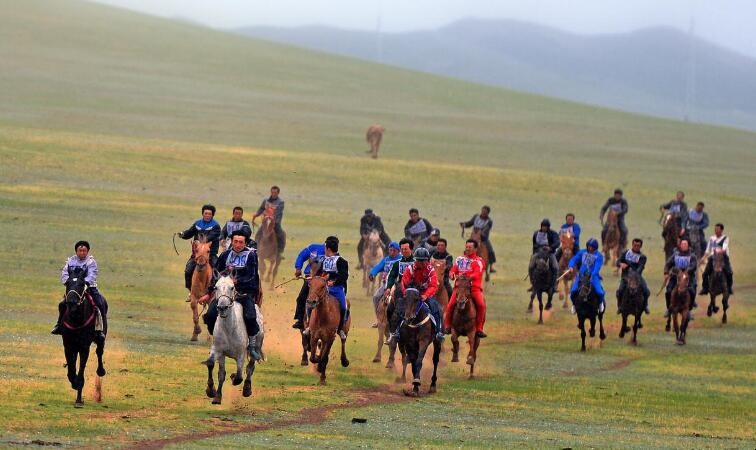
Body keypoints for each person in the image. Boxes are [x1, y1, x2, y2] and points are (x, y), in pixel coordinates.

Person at [199, 230, 262, 360]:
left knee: (250, 316)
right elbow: (215, 275)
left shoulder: (251, 255)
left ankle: (252, 346)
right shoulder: (225, 254)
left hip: (244, 292)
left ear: (245, 242)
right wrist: (209, 292)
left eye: (241, 242)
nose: (238, 244)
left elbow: (251, 276)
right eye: (235, 241)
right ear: (231, 241)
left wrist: (237, 281)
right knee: (209, 315)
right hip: (225, 293)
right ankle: (217, 340)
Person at [52, 241, 108, 342]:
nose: (82, 253)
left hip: (89, 288)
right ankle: (59, 325)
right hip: (74, 289)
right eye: (80, 250)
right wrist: (67, 282)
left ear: (87, 251)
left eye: (84, 251)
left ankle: (100, 330)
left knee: (100, 304)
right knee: (62, 304)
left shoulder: (91, 262)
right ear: (76, 251)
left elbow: (92, 274)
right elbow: (65, 273)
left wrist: (85, 283)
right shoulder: (70, 261)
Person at [304, 236, 349, 340]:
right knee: (310, 301)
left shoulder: (342, 261)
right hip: (324, 288)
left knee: (343, 306)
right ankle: (309, 326)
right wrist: (313, 278)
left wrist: (334, 280)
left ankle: (340, 328)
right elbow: (319, 273)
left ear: (328, 249)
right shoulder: (323, 260)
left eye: (325, 248)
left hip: (337, 289)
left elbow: (344, 275)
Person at [398, 247, 444, 342]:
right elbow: (404, 282)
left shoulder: (431, 270)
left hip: (425, 295)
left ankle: (439, 332)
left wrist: (425, 295)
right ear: (416, 260)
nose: (422, 263)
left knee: (436, 308)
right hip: (411, 295)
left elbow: (433, 286)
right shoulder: (410, 268)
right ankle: (396, 331)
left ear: (427, 260)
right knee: (400, 307)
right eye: (419, 260)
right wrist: (406, 293)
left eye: (424, 260)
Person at [444, 239, 487, 338]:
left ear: (475, 249)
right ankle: (447, 326)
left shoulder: (479, 261)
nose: (467, 249)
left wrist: (466, 277)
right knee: (450, 305)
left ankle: (479, 328)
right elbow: (453, 270)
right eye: (466, 247)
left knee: (481, 305)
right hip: (459, 289)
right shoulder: (460, 259)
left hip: (474, 289)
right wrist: (451, 275)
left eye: (470, 247)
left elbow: (477, 273)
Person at [178, 204, 222, 299]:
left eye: (209, 214)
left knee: (217, 271)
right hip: (197, 255)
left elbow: (211, 236)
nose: (207, 215)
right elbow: (190, 232)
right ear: (202, 214)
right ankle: (191, 291)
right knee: (188, 270)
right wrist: (183, 234)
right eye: (205, 213)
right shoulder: (197, 224)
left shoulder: (216, 226)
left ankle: (216, 292)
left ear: (212, 215)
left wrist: (201, 241)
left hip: (210, 254)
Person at [291, 241, 327, 329]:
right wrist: (298, 268)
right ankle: (300, 320)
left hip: (323, 282)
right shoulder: (314, 248)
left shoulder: (333, 255)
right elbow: (302, 255)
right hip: (310, 280)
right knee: (301, 298)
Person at [567, 238, 605, 314]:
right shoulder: (582, 252)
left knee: (600, 292)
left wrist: (592, 274)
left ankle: (600, 303)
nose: (589, 248)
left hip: (593, 276)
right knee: (573, 291)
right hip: (581, 276)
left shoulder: (599, 256)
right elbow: (574, 259)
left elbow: (597, 267)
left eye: (591, 247)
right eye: (588, 246)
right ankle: (574, 305)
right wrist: (571, 266)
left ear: (595, 247)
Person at [368, 241, 402, 327]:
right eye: (390, 250)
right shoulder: (386, 260)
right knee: (376, 297)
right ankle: (378, 319)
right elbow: (378, 267)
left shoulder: (401, 260)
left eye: (394, 250)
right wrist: (372, 274)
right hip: (386, 285)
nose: (391, 252)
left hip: (398, 285)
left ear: (398, 251)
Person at [663, 239, 698, 319]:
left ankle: (689, 310)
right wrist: (666, 273)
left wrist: (686, 271)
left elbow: (694, 265)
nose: (684, 246)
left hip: (688, 278)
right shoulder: (675, 254)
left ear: (688, 245)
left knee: (692, 291)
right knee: (668, 291)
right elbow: (668, 264)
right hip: (675, 277)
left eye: (685, 244)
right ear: (680, 245)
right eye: (682, 244)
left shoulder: (692, 256)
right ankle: (669, 308)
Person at [616, 238, 651, 315]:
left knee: (646, 291)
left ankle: (645, 306)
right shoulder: (625, 252)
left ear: (640, 246)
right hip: (625, 277)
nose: (636, 247)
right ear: (632, 244)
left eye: (638, 246)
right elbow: (618, 261)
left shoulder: (642, 257)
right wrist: (621, 264)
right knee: (620, 290)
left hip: (637, 278)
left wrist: (634, 274)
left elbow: (640, 267)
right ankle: (620, 306)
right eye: (635, 245)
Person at [460, 205, 497, 272]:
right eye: (482, 211)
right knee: (467, 249)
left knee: (490, 250)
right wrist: (464, 224)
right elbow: (470, 223)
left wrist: (482, 234)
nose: (483, 213)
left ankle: (491, 267)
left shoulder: (489, 221)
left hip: (483, 238)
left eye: (485, 212)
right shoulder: (476, 217)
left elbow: (486, 229)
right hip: (473, 237)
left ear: (487, 213)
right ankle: (464, 263)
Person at [699, 223, 733, 295]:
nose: (716, 231)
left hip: (723, 258)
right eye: (715, 229)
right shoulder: (712, 238)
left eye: (717, 229)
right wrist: (703, 258)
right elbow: (708, 250)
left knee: (729, 272)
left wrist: (719, 251)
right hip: (713, 258)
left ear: (721, 230)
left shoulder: (725, 238)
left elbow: (724, 248)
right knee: (705, 273)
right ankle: (705, 288)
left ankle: (729, 288)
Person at [252, 186, 286, 255]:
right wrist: (256, 214)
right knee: (258, 234)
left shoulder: (280, 202)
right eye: (272, 192)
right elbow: (261, 209)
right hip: (266, 222)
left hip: (275, 222)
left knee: (281, 234)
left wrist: (273, 220)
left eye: (275, 193)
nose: (273, 194)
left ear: (278, 193)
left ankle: (279, 251)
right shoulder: (266, 200)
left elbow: (278, 212)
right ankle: (256, 249)